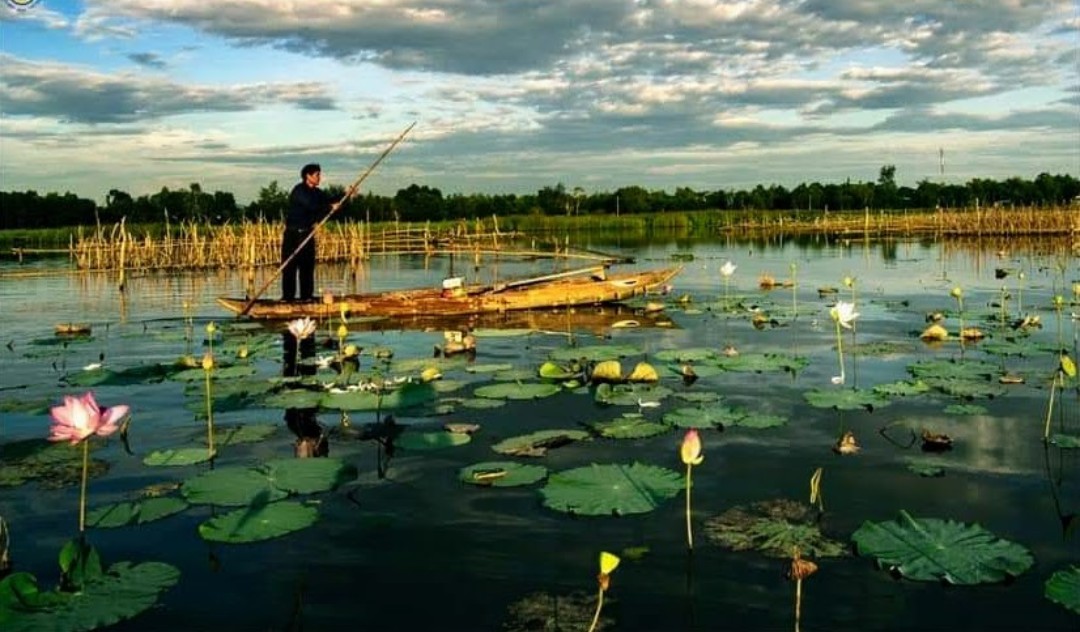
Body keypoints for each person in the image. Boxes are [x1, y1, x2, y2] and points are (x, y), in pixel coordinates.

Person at [282, 163, 338, 302]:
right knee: (290, 267)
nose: (319, 177)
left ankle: (306, 297)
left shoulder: (318, 193)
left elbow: (329, 200)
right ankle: (288, 299)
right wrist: (329, 207)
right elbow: (312, 206)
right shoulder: (299, 191)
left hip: (307, 234)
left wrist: (348, 195)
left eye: (319, 174)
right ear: (308, 176)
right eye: (317, 175)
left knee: (307, 268)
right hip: (293, 235)